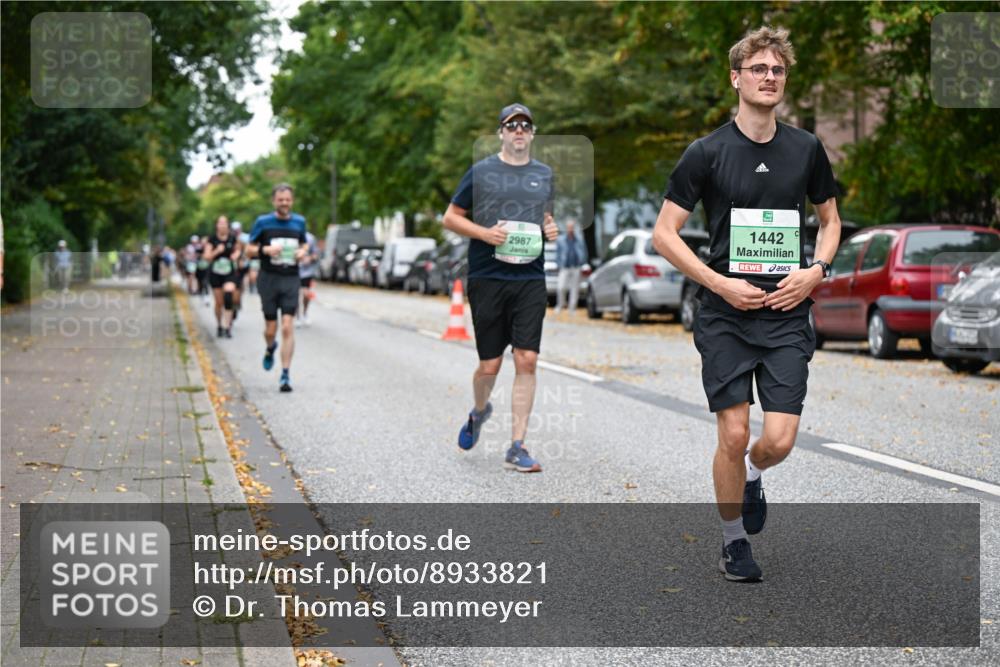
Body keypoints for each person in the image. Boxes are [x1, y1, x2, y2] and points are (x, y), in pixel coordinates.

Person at [652, 26, 841, 582]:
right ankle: (734, 541)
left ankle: (754, 474)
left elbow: (830, 221)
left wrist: (815, 271)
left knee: (777, 441)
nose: (769, 77)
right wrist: (718, 283)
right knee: (733, 434)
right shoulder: (706, 152)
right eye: (759, 68)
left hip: (786, 313)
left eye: (778, 70)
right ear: (736, 79)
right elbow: (664, 234)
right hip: (726, 316)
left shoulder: (806, 149)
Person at [442, 102, 559, 473]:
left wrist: (550, 228)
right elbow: (450, 218)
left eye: (525, 125)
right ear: (501, 134)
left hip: (530, 278)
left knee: (527, 358)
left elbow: (544, 218)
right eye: (512, 126)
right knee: (489, 365)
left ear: (532, 134)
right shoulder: (481, 172)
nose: (519, 130)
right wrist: (484, 234)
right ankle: (479, 410)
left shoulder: (544, 174)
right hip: (488, 277)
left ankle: (517, 446)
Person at [247, 184, 308, 392]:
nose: (284, 203)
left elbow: (304, 243)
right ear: (274, 201)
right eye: (281, 200)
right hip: (269, 279)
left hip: (290, 278)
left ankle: (285, 374)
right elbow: (248, 249)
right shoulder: (263, 222)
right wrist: (265, 249)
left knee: (287, 326)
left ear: (292, 201)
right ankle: (270, 346)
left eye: (288, 200)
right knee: (271, 329)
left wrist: (302, 252)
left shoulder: (299, 222)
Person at [204, 215, 242, 338]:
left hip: (229, 272)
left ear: (227, 225)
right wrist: (217, 251)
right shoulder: (212, 239)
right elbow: (206, 257)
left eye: (224, 223)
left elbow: (238, 250)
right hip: (215, 273)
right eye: (220, 223)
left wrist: (236, 255)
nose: (222, 225)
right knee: (219, 302)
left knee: (229, 295)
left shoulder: (232, 238)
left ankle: (227, 326)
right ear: (216, 225)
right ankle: (219, 325)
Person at [555, 218, 587, 314]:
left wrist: (582, 262)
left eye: (572, 227)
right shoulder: (561, 240)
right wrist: (558, 264)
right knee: (561, 287)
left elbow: (584, 252)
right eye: (569, 227)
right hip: (564, 267)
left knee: (574, 289)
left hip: (576, 266)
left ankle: (572, 308)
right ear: (566, 228)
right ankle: (560, 305)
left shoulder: (579, 239)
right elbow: (557, 254)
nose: (570, 229)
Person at [297, 230, 320, 327]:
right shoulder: (291, 234)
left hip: (307, 272)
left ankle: (305, 313)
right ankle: (297, 316)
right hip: (293, 271)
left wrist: (309, 258)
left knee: (306, 294)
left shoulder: (310, 238)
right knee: (295, 294)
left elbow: (316, 254)